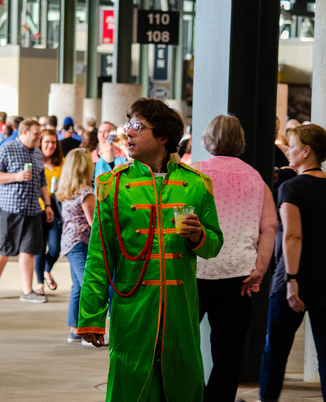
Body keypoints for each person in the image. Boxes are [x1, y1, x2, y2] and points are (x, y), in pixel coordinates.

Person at [78, 98, 224, 401]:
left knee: (183, 384)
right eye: (128, 124)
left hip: (181, 314)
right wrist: (91, 315)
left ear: (163, 138)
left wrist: (199, 238)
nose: (127, 133)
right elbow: (99, 257)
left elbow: (214, 245)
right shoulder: (111, 185)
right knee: (129, 387)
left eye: (137, 127)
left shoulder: (198, 184)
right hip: (132, 313)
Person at [259, 124, 326, 402]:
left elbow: (293, 236)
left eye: (292, 145)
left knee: (276, 349)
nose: (288, 150)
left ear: (306, 151)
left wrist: (291, 280)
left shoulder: (292, 188)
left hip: (296, 277)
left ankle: (267, 399)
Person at [189, 115, 277, 401]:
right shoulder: (255, 178)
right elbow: (270, 227)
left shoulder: (194, 173)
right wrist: (260, 269)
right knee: (229, 349)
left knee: (183, 342)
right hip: (239, 275)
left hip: (195, 271)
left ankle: (189, 394)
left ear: (207, 138)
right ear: (240, 140)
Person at [0, 119, 54, 303]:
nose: (39, 136)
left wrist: (47, 205)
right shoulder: (6, 149)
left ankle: (27, 290)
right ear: (24, 132)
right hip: (9, 209)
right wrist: (16, 176)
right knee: (4, 248)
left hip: (32, 209)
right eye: (36, 133)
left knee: (29, 249)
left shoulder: (38, 154)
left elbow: (42, 182)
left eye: (40, 133)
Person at [55, 148, 95, 343]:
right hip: (81, 243)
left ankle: (74, 328)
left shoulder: (67, 191)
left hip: (69, 242)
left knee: (78, 286)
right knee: (89, 285)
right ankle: (89, 331)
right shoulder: (87, 193)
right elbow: (93, 223)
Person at [34, 129, 64, 296]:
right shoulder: (35, 161)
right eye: (47, 142)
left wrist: (63, 186)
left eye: (53, 142)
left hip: (56, 211)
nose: (50, 145)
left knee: (54, 248)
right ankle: (39, 282)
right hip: (37, 209)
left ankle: (46, 270)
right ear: (40, 143)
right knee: (39, 248)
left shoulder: (63, 162)